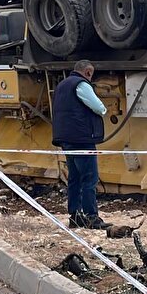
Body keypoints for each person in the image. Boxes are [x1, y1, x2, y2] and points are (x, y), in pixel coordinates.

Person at [52, 60, 109, 229]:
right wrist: (104, 110)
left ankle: (75, 216)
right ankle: (92, 217)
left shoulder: (62, 85)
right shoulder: (81, 84)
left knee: (74, 178)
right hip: (81, 138)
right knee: (89, 177)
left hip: (65, 138)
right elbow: (98, 107)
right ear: (88, 72)